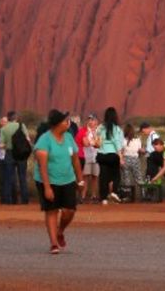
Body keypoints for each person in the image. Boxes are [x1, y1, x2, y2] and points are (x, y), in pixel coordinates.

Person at [34, 109, 84, 255]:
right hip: (48, 180)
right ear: (56, 124)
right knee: (52, 210)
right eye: (64, 121)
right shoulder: (45, 140)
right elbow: (42, 166)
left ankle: (60, 231)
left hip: (68, 179)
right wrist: (47, 188)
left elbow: (75, 160)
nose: (68, 122)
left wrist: (80, 180)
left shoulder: (68, 137)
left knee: (70, 210)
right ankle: (54, 243)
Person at [94, 107, 125, 205]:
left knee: (103, 176)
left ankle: (103, 198)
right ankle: (114, 192)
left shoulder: (100, 127)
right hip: (112, 155)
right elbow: (117, 143)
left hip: (101, 155)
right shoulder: (117, 129)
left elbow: (97, 142)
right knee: (116, 175)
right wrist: (121, 157)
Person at [121, 123, 144, 202]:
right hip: (135, 160)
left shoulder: (123, 140)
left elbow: (122, 151)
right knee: (139, 178)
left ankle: (128, 196)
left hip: (125, 160)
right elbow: (140, 150)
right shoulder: (137, 140)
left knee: (126, 179)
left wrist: (121, 160)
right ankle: (144, 195)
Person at [81, 114, 101, 203]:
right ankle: (83, 196)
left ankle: (94, 196)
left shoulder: (99, 131)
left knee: (95, 177)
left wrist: (93, 142)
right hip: (87, 156)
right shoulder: (84, 131)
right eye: (89, 119)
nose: (90, 121)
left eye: (92, 119)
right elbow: (85, 143)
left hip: (96, 156)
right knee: (85, 176)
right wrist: (93, 142)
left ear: (96, 121)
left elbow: (99, 144)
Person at [0, 116, 11, 204]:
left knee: (9, 178)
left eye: (6, 122)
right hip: (0, 158)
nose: (5, 123)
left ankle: (9, 199)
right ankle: (3, 199)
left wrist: (4, 144)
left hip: (9, 158)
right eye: (3, 121)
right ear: (0, 123)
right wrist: (8, 144)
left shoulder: (10, 132)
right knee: (1, 179)